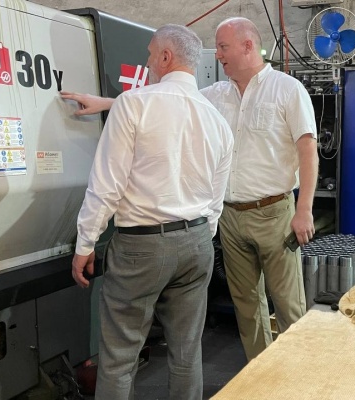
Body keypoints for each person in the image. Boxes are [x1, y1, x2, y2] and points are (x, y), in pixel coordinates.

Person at [63, 17, 318, 362]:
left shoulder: (287, 89)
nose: (219, 55)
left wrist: (304, 210)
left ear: (247, 46)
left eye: (223, 47)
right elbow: (166, 101)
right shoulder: (215, 95)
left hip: (274, 213)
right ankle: (259, 374)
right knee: (246, 305)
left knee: (288, 304)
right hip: (230, 216)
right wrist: (106, 103)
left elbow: (308, 149)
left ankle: (300, 378)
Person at [69, 24, 233, 400]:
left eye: (149, 54)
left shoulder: (134, 104)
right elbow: (216, 198)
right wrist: (195, 235)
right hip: (197, 243)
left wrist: (85, 243)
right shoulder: (216, 120)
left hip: (141, 247)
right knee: (187, 353)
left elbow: (107, 186)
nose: (147, 62)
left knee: (119, 357)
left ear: (165, 56)